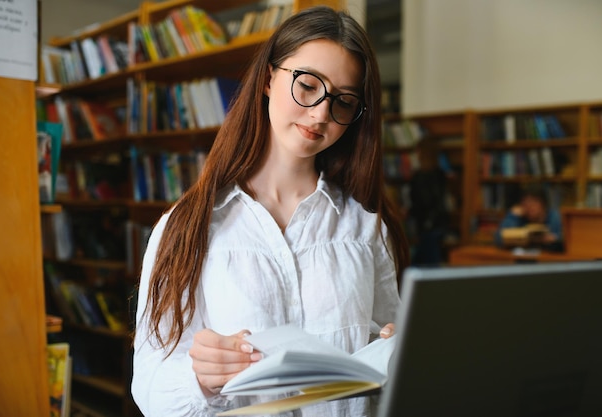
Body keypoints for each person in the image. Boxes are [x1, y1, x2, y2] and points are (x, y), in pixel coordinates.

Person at [131, 6, 409, 417]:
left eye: (344, 101)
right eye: (309, 85)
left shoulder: (366, 227)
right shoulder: (187, 226)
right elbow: (150, 390)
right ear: (267, 78)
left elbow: (389, 359)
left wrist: (397, 348)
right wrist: (201, 380)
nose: (320, 114)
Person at [408, 137, 451, 266]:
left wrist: (410, 211)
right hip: (439, 225)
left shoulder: (420, 176)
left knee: (421, 265)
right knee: (430, 263)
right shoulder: (440, 174)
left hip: (427, 227)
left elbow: (423, 203)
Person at [494, 185, 564, 252]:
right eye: (525, 203)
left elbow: (565, 240)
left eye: (534, 202)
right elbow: (499, 239)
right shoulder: (520, 217)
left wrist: (554, 240)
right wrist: (512, 216)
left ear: (543, 204)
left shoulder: (555, 217)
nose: (529, 206)